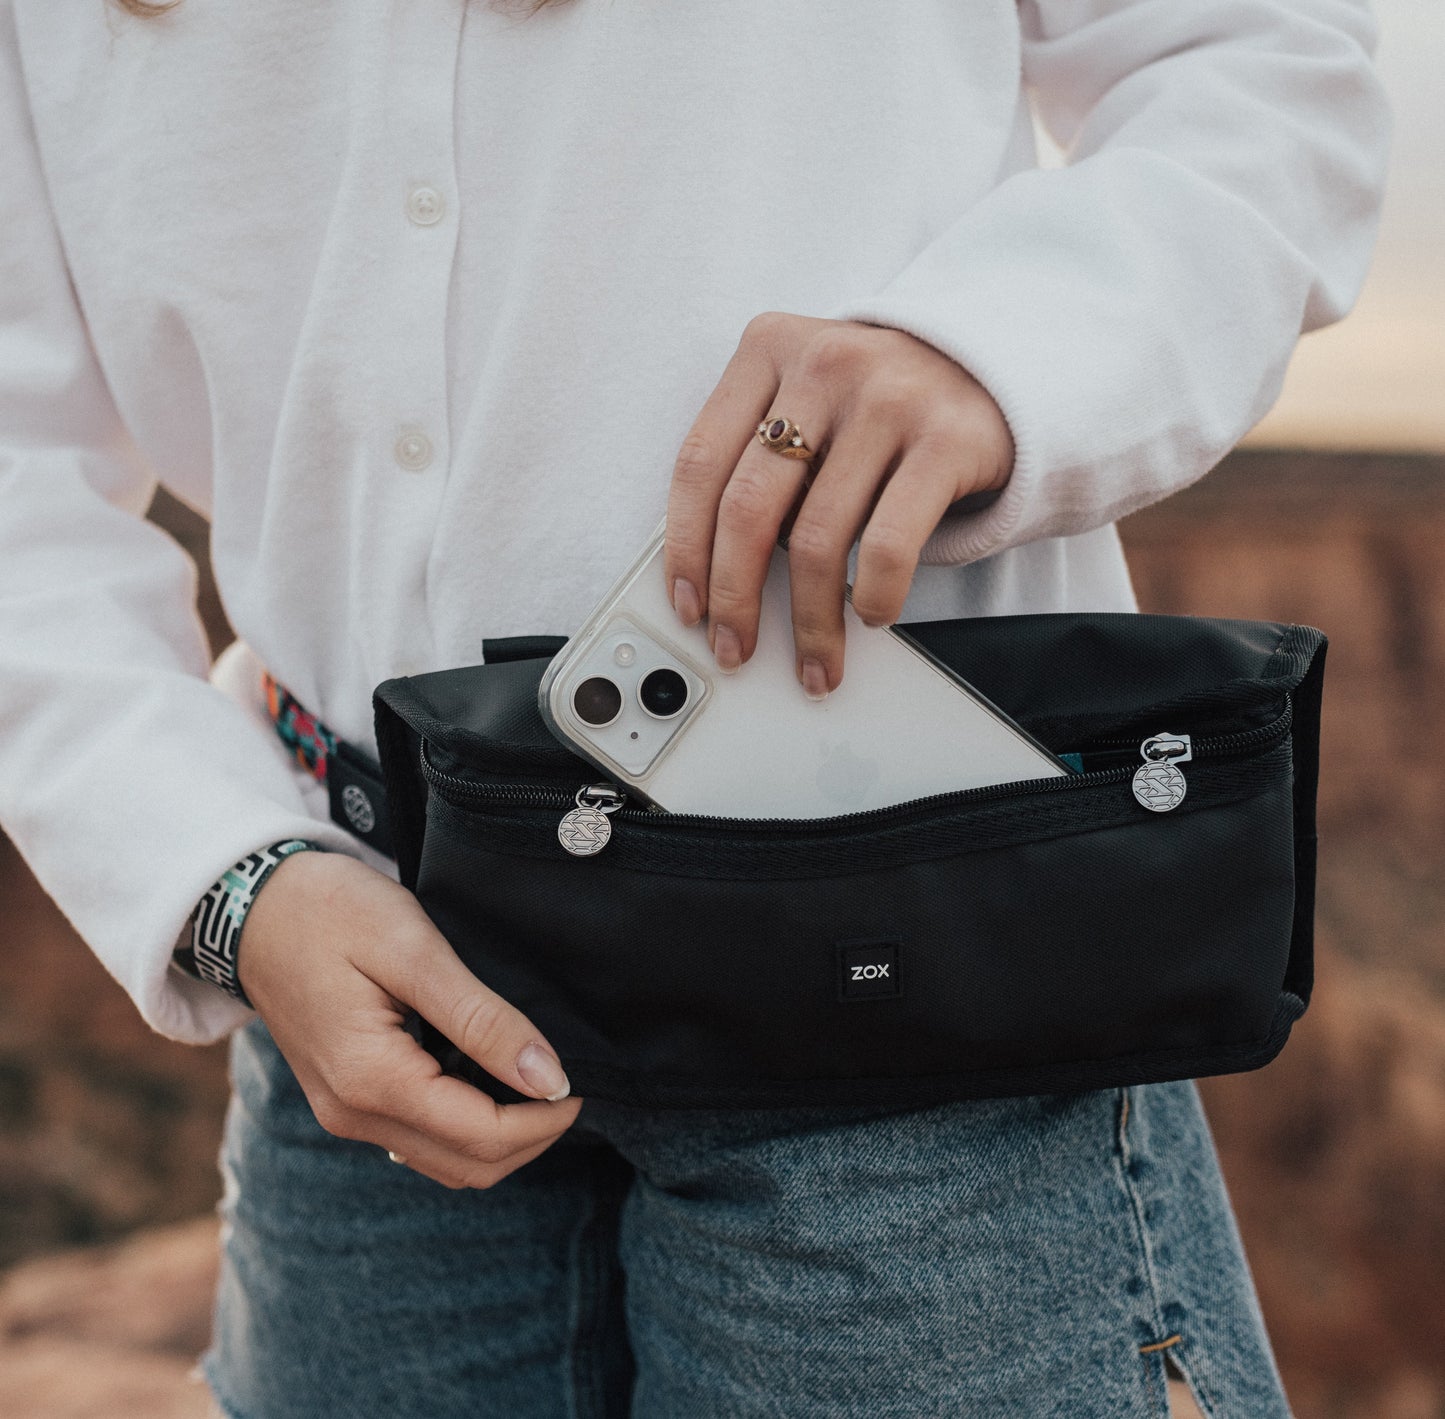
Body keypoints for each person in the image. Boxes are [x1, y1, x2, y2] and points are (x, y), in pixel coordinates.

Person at [0, 0, 1389, 1414]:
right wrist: (226, 886)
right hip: (362, 981)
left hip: (899, 994)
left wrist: (1002, 345)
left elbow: (1259, 63)